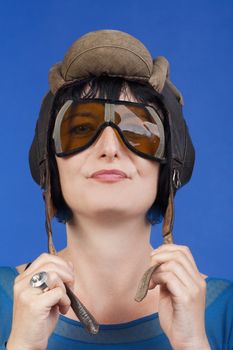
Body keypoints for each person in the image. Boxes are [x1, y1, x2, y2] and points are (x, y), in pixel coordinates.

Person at [0, 30, 232, 350]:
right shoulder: (4, 304)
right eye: (80, 129)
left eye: (138, 129)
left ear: (170, 165)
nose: (109, 148)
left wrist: (193, 341)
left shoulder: (224, 313)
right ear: (48, 162)